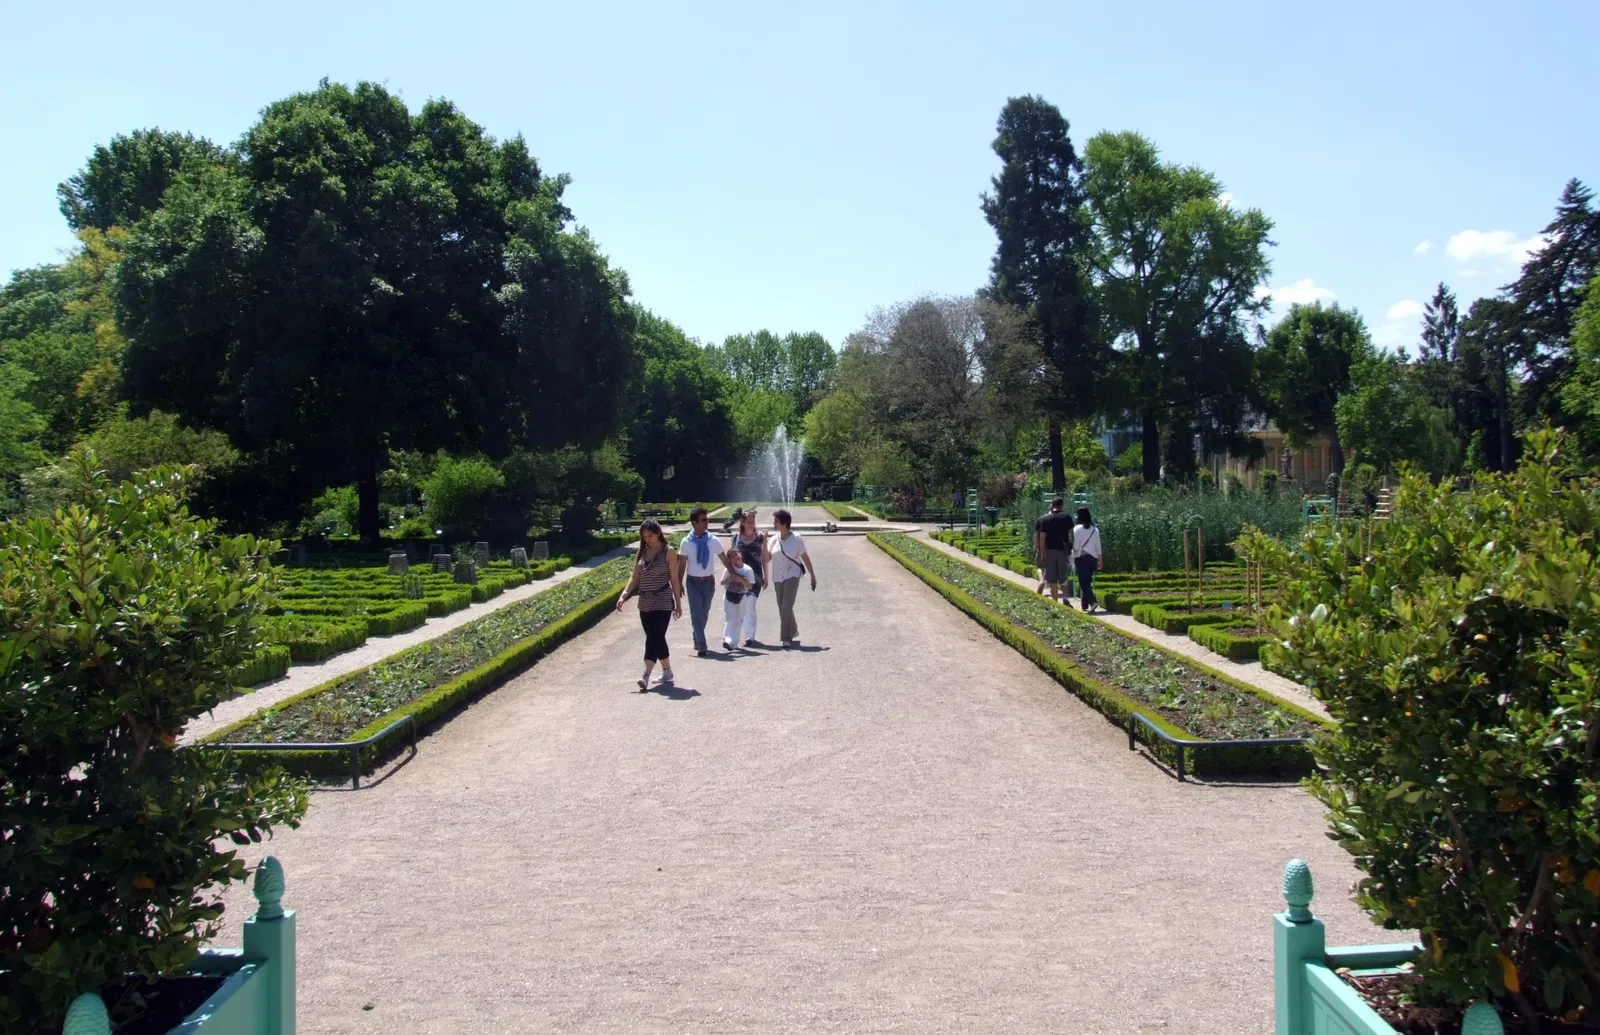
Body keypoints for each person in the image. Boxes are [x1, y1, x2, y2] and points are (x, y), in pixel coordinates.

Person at [615, 519, 682, 688]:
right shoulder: (643, 551)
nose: (648, 540)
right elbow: (635, 576)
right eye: (645, 537)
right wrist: (624, 594)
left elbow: (674, 580)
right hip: (644, 601)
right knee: (655, 638)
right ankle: (667, 671)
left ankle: (645, 675)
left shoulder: (669, 552)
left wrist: (678, 604)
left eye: (650, 536)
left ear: (658, 533)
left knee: (654, 637)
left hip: (663, 600)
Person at [677, 506, 731, 656]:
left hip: (708, 582)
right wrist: (679, 583)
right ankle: (702, 645)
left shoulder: (712, 540)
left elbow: (724, 559)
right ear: (694, 523)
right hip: (693, 582)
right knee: (695, 614)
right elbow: (681, 564)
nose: (706, 523)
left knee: (704, 614)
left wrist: (733, 574)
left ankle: (697, 636)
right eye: (703, 520)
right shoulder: (686, 542)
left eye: (707, 520)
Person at [770, 508, 817, 647]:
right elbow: (766, 557)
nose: (774, 523)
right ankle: (793, 630)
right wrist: (761, 545)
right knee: (782, 606)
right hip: (777, 576)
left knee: (786, 605)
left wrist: (812, 576)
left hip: (792, 574)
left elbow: (805, 557)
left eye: (776, 521)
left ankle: (785, 637)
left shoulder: (796, 538)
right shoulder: (773, 539)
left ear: (784, 523)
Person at [728, 510, 770, 646]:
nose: (752, 524)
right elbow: (731, 558)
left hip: (755, 577)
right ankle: (735, 635)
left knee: (750, 605)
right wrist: (730, 575)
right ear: (743, 523)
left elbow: (765, 558)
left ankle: (749, 636)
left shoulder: (760, 538)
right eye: (749, 522)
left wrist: (766, 577)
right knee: (740, 605)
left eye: (753, 522)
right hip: (740, 577)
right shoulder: (736, 538)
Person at [1032, 496, 1076, 602]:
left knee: (1052, 579)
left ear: (1052, 505)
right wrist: (1072, 545)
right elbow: (1072, 533)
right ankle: (1066, 599)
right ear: (1062, 505)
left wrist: (1042, 554)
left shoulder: (1045, 519)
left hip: (1049, 551)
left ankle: (1055, 602)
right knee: (1063, 577)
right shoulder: (1066, 517)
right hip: (1063, 551)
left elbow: (1042, 538)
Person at [721, 551, 757, 651]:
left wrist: (741, 580)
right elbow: (722, 582)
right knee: (730, 618)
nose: (735, 557)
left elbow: (750, 586)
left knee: (739, 619)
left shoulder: (748, 570)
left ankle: (734, 642)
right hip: (729, 596)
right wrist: (730, 579)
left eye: (736, 554)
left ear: (740, 554)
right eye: (732, 557)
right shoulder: (729, 569)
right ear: (730, 560)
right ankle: (728, 639)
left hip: (742, 597)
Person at [1072, 506, 1104, 613]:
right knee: (1087, 581)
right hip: (1093, 559)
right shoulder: (1095, 530)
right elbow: (1098, 547)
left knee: (1083, 583)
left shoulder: (1077, 529)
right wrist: (1100, 561)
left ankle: (1093, 602)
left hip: (1082, 558)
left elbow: (1076, 546)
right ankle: (1084, 605)